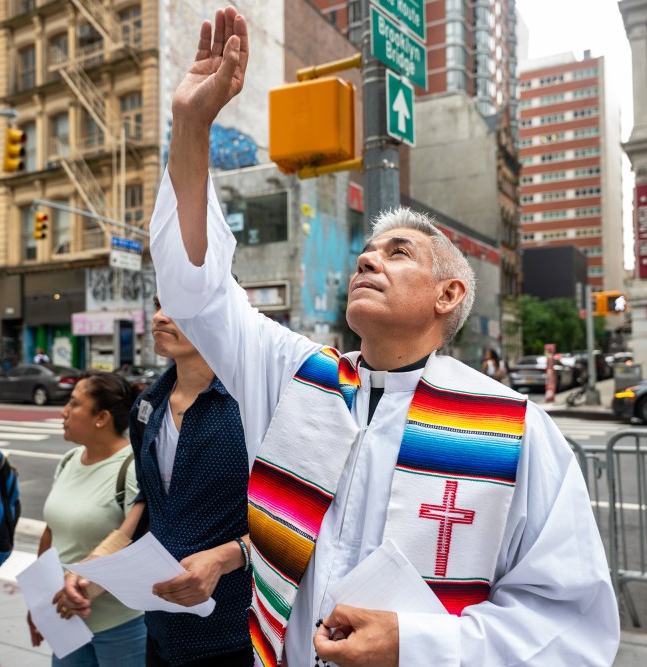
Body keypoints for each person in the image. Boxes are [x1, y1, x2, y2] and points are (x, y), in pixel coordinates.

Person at [149, 7, 619, 666]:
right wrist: (191, 126)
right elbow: (196, 290)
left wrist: (418, 644)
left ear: (449, 294)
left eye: (398, 252)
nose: (367, 260)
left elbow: (569, 625)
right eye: (365, 252)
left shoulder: (512, 426)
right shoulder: (294, 377)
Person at [62, 296, 253, 667]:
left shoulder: (251, 404)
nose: (161, 318)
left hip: (235, 631)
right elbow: (148, 504)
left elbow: (295, 515)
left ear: (223, 316)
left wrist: (224, 558)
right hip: (161, 627)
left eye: (180, 307)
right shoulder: (148, 406)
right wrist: (96, 570)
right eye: (159, 305)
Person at [27, 372, 147, 666]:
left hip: (121, 624)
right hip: (64, 617)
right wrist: (39, 603)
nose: (63, 412)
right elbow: (51, 532)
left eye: (74, 403)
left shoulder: (132, 469)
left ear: (101, 417)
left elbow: (144, 547)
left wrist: (88, 588)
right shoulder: (69, 460)